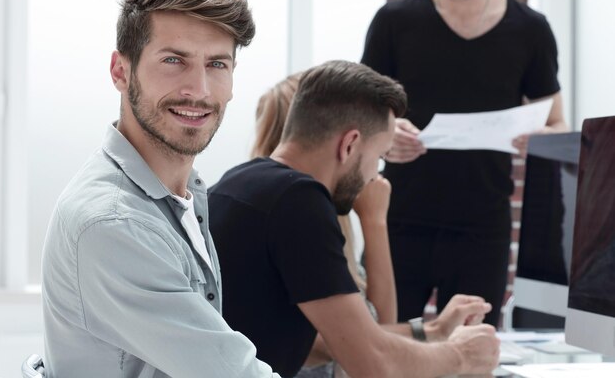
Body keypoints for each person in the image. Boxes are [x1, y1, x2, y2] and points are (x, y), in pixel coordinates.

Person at [41, 0, 281, 377]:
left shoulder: (183, 195)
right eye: (174, 60)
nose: (200, 90)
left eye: (217, 65)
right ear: (121, 71)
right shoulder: (115, 222)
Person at [208, 60, 500, 378]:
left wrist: (434, 333)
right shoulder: (299, 201)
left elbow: (341, 342)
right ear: (349, 145)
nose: (374, 175)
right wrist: (460, 356)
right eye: (378, 157)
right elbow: (373, 364)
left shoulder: (242, 182)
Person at [360, 0, 568, 326]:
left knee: (469, 351)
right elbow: (362, 116)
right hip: (401, 219)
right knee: (381, 340)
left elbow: (556, 124)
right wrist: (387, 135)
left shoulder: (531, 30)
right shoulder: (394, 21)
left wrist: (540, 138)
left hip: (482, 227)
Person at [249, 73, 397, 377]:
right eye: (378, 156)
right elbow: (370, 344)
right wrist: (374, 220)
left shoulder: (256, 190)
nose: (376, 172)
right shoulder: (302, 210)